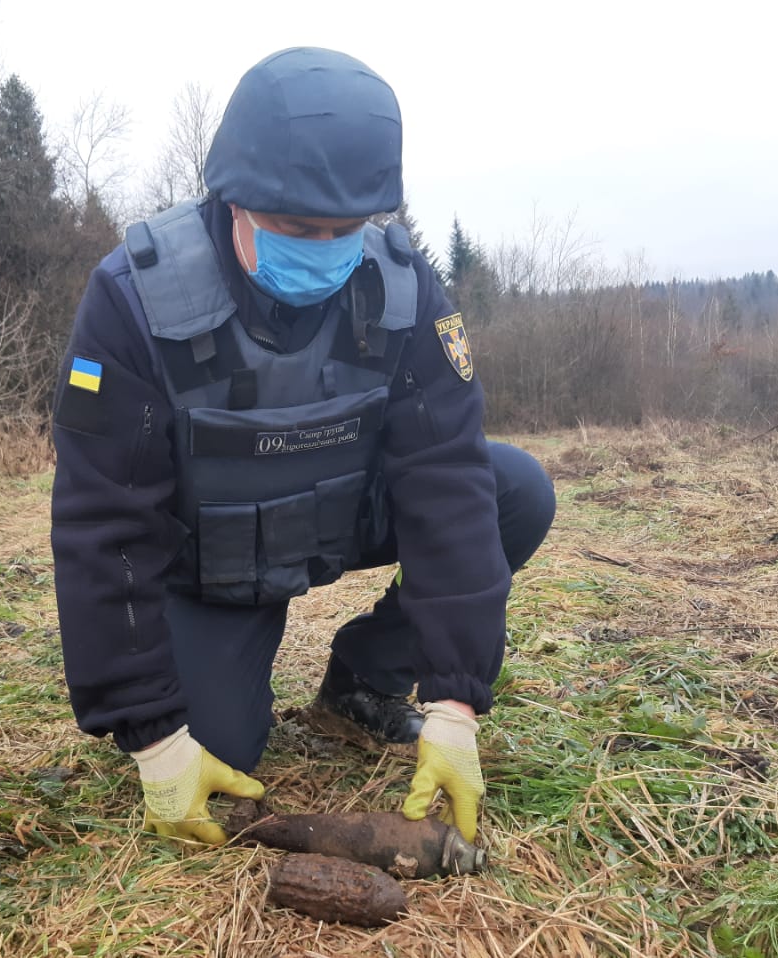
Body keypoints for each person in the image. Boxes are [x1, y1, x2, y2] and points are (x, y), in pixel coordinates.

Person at [50, 47, 555, 847]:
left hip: (339, 511)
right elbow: (102, 522)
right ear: (236, 199)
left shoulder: (403, 291)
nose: (322, 247)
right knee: (219, 748)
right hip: (211, 562)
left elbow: (444, 477)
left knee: (513, 489)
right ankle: (208, 694)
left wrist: (457, 699)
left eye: (343, 229)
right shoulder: (133, 300)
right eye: (295, 227)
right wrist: (150, 733)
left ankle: (362, 678)